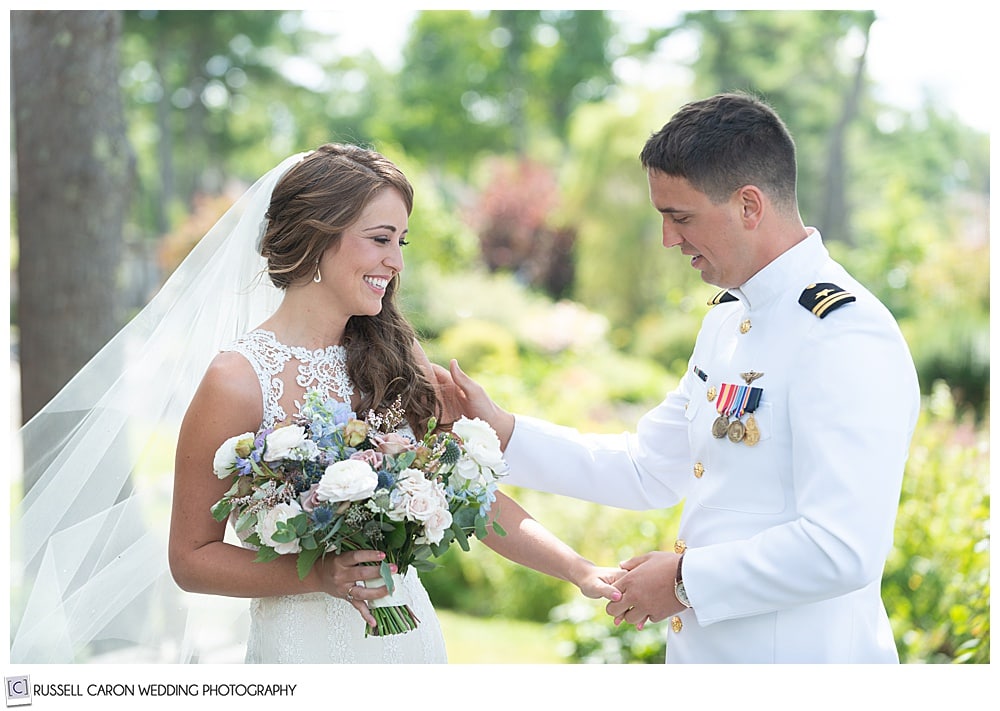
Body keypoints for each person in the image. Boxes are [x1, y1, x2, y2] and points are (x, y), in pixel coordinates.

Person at [10, 144, 619, 664]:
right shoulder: (238, 380)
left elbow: (475, 503)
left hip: (409, 644)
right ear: (318, 238)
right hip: (302, 652)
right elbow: (191, 558)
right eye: (381, 239)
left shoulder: (400, 366)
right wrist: (322, 576)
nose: (397, 262)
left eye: (401, 241)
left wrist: (579, 570)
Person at [440, 92, 921, 663]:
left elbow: (842, 548)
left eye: (681, 216)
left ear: (749, 205)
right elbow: (649, 467)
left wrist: (684, 580)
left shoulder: (842, 333)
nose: (669, 239)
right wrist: (502, 430)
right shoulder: (727, 320)